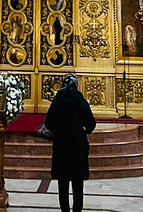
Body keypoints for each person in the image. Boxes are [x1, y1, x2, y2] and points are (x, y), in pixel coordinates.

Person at [45, 73, 96, 212]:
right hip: (78, 146)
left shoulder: (57, 102)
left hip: (61, 145)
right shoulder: (81, 102)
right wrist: (82, 131)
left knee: (63, 184)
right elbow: (91, 124)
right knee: (78, 185)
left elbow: (48, 122)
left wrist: (58, 131)